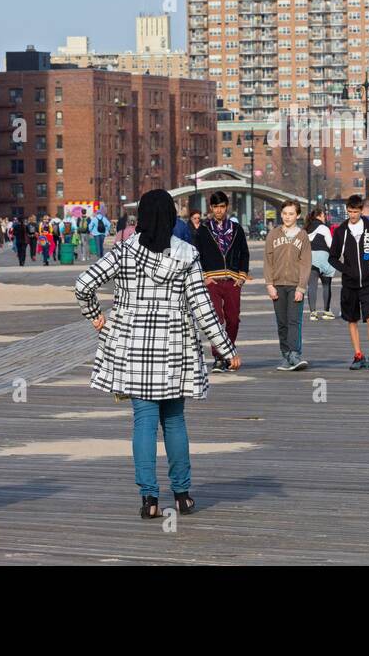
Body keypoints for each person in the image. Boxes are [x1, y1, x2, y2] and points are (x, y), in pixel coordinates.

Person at [74, 189, 241, 520]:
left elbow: (83, 284)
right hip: (174, 345)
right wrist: (225, 348)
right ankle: (182, 495)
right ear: (170, 218)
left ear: (141, 217)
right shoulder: (187, 254)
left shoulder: (123, 252)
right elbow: (202, 307)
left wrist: (95, 315)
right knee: (175, 421)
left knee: (144, 421)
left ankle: (149, 499)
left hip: (133, 345)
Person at [329, 194, 369, 371]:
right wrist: (345, 269)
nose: (352, 215)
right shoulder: (341, 231)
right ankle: (358, 355)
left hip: (368, 282)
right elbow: (332, 257)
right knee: (352, 319)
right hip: (349, 284)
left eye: (356, 212)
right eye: (349, 212)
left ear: (361, 210)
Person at [193, 190, 250, 370]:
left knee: (233, 319)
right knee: (216, 319)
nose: (219, 210)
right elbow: (196, 255)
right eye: (215, 207)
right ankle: (219, 356)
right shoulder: (203, 230)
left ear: (227, 207)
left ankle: (228, 349)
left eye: (222, 207)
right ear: (211, 208)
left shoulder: (236, 229)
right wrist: (204, 277)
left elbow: (244, 253)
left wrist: (241, 276)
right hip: (212, 281)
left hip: (232, 281)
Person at [263, 200, 311, 371]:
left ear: (297, 215)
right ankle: (285, 355)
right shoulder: (273, 235)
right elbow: (268, 262)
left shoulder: (302, 235)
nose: (287, 217)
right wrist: (269, 284)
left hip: (295, 286)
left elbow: (306, 263)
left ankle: (295, 354)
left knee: (294, 321)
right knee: (282, 322)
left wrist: (301, 287)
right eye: (285, 213)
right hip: (277, 285)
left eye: (291, 214)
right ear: (281, 214)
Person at [305, 207, 336, 321]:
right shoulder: (324, 228)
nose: (325, 218)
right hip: (323, 258)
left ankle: (313, 313)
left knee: (312, 285)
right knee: (326, 285)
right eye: (323, 215)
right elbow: (330, 244)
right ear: (319, 216)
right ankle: (327, 312)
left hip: (309, 258)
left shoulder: (306, 228)